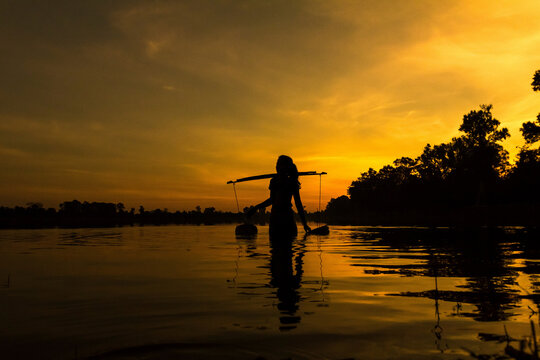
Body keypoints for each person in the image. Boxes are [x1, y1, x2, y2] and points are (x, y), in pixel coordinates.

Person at [247, 155, 311, 237]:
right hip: (275, 218)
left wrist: (304, 224)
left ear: (285, 167)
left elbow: (298, 204)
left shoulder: (291, 182)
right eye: (277, 164)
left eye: (279, 164)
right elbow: (272, 199)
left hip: (287, 219)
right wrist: (255, 208)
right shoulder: (274, 181)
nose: (277, 166)